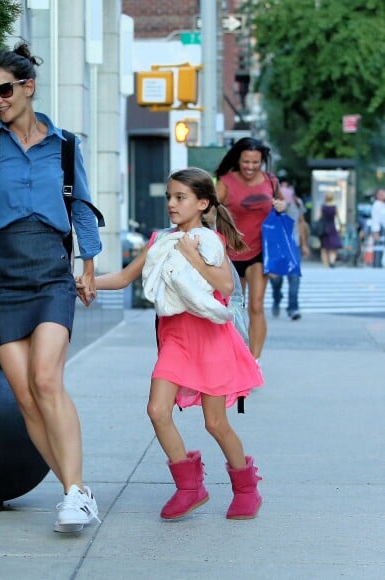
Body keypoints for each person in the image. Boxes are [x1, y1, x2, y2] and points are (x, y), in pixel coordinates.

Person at [0, 42, 102, 534]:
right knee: (27, 398)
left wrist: (89, 265)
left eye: (5, 90)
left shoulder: (67, 145)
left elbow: (81, 207)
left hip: (51, 272)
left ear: (28, 86)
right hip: (1, 276)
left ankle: (74, 494)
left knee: (48, 380)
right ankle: (77, 491)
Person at [79, 168, 264, 521]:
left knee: (216, 423)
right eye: (169, 197)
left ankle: (246, 488)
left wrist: (192, 256)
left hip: (210, 340)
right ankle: (189, 487)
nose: (172, 204)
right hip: (176, 340)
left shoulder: (210, 241)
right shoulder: (159, 240)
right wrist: (88, 282)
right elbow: (122, 277)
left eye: (180, 197)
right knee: (157, 410)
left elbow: (225, 286)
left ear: (203, 203)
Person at [214, 138, 286, 363]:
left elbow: (282, 204)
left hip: (258, 251)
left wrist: (281, 206)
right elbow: (208, 210)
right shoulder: (225, 182)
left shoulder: (270, 181)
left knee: (256, 305)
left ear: (262, 161)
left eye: (255, 162)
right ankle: (235, 355)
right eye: (246, 161)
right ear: (238, 159)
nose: (250, 166)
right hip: (230, 253)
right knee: (234, 307)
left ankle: (254, 362)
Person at [270, 183, 310, 320]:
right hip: (276, 247)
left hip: (294, 246)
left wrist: (304, 245)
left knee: (294, 278)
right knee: (276, 280)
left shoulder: (297, 203)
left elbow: (301, 223)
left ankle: (293, 308)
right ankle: (276, 296)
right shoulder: (271, 207)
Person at [318, 192, 342, 268]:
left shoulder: (322, 207)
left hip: (324, 228)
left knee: (324, 247)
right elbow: (338, 219)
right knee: (333, 246)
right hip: (332, 227)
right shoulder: (334, 207)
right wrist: (341, 227)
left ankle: (326, 264)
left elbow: (319, 218)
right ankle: (332, 261)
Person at [370, 188, 385, 268]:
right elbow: (375, 219)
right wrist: (376, 232)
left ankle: (380, 264)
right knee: (378, 248)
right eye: (382, 194)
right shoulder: (377, 205)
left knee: (381, 248)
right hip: (379, 229)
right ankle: (376, 265)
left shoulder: (382, 205)